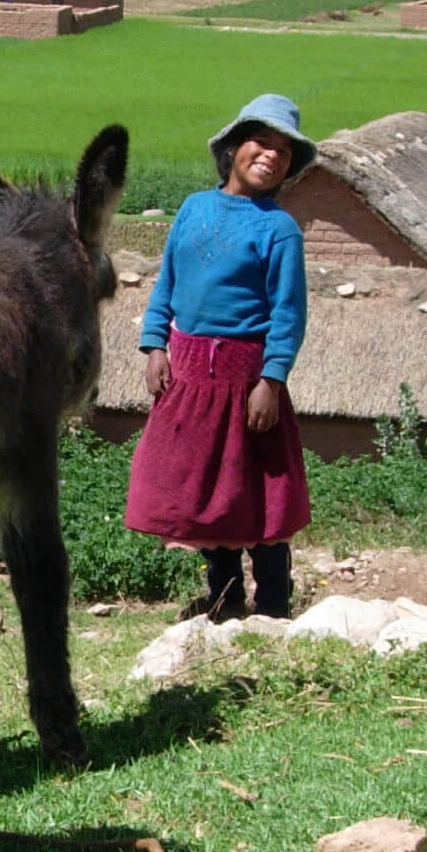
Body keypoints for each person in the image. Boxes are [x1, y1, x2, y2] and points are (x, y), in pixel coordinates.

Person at [125, 93, 314, 621]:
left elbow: (288, 313)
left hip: (244, 378)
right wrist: (155, 343)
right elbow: (169, 280)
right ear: (233, 148)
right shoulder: (193, 208)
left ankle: (274, 604)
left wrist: (270, 381)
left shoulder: (279, 230)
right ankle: (225, 599)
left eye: (283, 151)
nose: (270, 155)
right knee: (206, 488)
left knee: (258, 492)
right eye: (261, 141)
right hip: (188, 375)